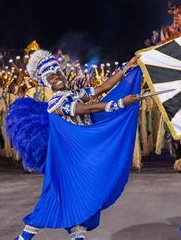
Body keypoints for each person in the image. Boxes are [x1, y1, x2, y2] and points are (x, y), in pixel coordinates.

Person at [9, 50, 143, 240]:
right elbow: (86, 108)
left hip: (83, 153)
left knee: (82, 194)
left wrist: (127, 68)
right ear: (46, 82)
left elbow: (102, 88)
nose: (57, 77)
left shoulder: (73, 93)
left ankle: (77, 236)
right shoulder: (55, 101)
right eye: (51, 76)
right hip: (70, 157)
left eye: (58, 73)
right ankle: (23, 238)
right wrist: (120, 103)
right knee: (57, 196)